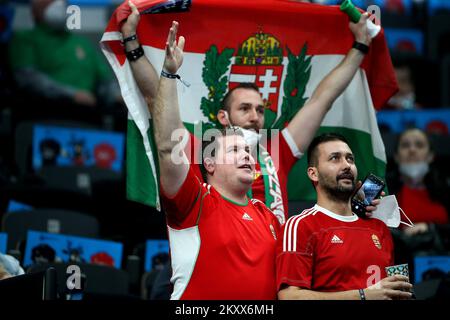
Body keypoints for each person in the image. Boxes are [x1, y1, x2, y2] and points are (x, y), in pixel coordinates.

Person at [120, 1, 376, 223]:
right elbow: (157, 97)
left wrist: (361, 45)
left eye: (260, 110)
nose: (255, 116)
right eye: (244, 108)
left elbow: (323, 99)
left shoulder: (278, 151)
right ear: (223, 117)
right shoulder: (202, 151)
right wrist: (131, 39)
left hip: (277, 265)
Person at [146, 22, 280, 299]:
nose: (245, 155)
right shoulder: (193, 201)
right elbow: (168, 146)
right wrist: (169, 74)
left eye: (246, 151)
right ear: (208, 163)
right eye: (233, 150)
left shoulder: (267, 216)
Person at [276, 133, 413, 300]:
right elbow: (289, 297)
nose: (347, 165)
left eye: (350, 159)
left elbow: (389, 291)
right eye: (335, 158)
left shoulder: (378, 227)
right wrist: (363, 296)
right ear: (314, 174)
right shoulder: (300, 226)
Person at [8, 0, 118, 109]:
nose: (58, 4)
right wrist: (72, 95)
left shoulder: (82, 43)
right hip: (44, 112)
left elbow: (104, 80)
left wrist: (117, 95)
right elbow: (28, 78)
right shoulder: (25, 39)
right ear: (34, 10)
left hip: (87, 114)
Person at [388, 128, 449, 236]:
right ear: (396, 157)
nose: (412, 150)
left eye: (419, 145)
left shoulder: (446, 187)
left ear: (430, 156)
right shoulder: (385, 191)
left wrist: (430, 228)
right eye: (405, 145)